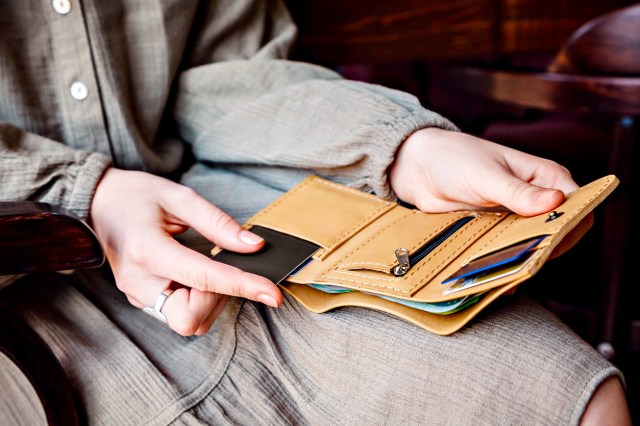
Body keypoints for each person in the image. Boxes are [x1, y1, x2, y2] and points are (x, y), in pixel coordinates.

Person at [0, 0, 631, 424]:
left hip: (218, 210)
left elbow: (232, 74)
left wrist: (405, 149)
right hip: (19, 289)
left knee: (568, 395)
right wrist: (88, 194)